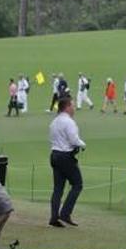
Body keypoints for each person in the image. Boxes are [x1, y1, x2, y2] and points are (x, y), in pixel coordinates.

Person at [48, 97, 85, 228]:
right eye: (72, 106)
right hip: (65, 156)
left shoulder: (54, 122)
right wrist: (83, 144)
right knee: (77, 184)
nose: (74, 108)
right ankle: (65, 213)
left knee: (58, 188)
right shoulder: (69, 122)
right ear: (67, 107)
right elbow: (74, 140)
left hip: (54, 155)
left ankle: (54, 217)